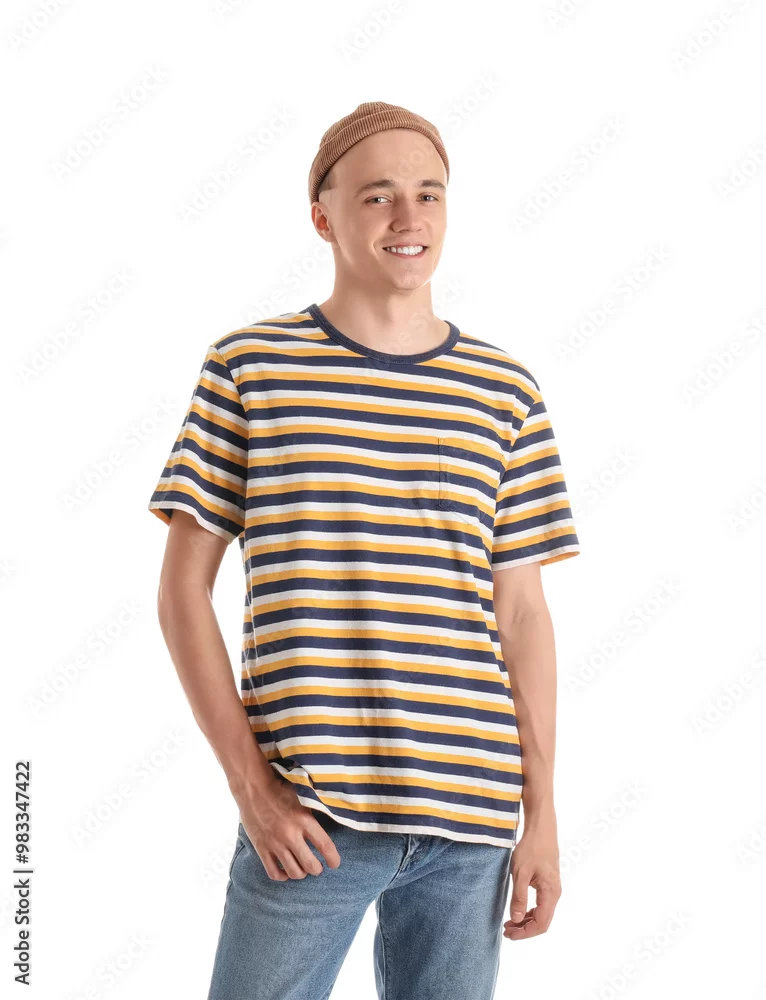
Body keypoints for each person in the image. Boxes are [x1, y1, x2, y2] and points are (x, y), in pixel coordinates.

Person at [148, 101, 581, 1000]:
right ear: (323, 217)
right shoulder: (252, 368)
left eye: (429, 193)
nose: (409, 217)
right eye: (378, 195)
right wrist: (253, 789)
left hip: (472, 820)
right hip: (313, 815)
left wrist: (540, 816)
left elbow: (523, 614)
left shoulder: (504, 390)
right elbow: (182, 592)